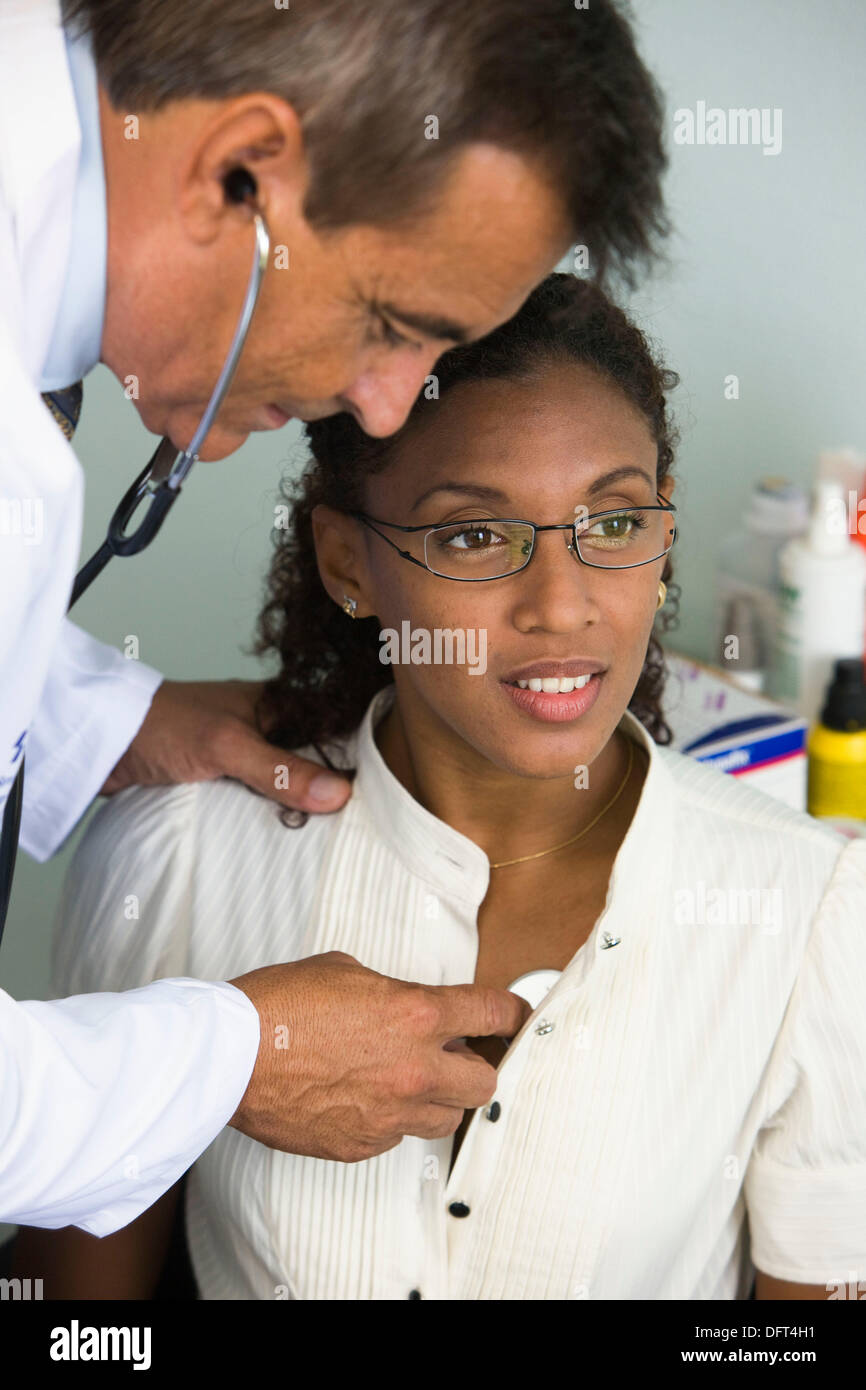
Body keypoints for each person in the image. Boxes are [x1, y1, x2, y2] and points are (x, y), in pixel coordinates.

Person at [16, 274, 865, 1300]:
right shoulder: (182, 845)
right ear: (348, 562)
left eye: (611, 522)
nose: (561, 606)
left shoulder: (810, 911)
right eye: (473, 535)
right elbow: (77, 1324)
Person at [0, 0, 671, 1232]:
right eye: (391, 324)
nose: (378, 407)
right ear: (234, 172)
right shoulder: (182, 860)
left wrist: (86, 713)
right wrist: (230, 1061)